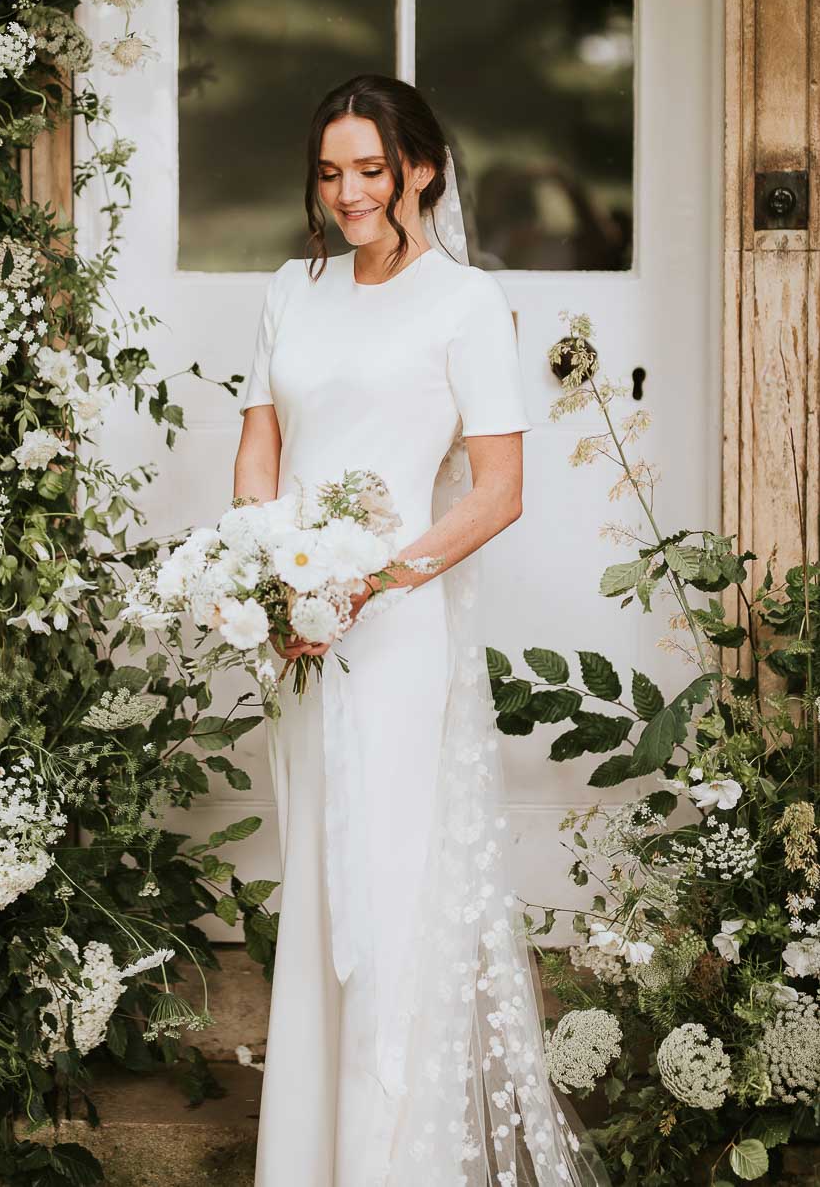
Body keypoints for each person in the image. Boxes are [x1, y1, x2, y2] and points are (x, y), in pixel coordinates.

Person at [232, 75, 608, 1187]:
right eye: (329, 171)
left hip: (389, 639)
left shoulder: (462, 303)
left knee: (385, 891)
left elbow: (497, 492)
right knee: (314, 886)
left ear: (421, 171)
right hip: (295, 637)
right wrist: (267, 569)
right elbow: (261, 444)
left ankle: (391, 1166)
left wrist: (366, 586)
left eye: (369, 170)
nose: (347, 192)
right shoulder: (292, 291)